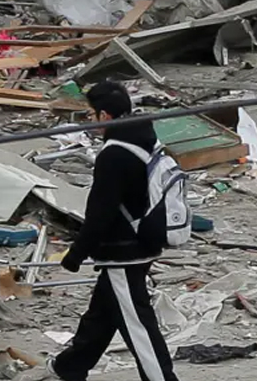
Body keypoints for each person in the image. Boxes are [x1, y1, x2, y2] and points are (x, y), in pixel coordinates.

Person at [51, 81, 180, 381]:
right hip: (141, 241)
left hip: (123, 250)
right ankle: (68, 367)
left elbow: (101, 212)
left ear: (105, 116)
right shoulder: (143, 138)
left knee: (137, 322)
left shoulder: (113, 154)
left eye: (91, 115)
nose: (90, 121)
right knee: (101, 316)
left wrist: (77, 253)